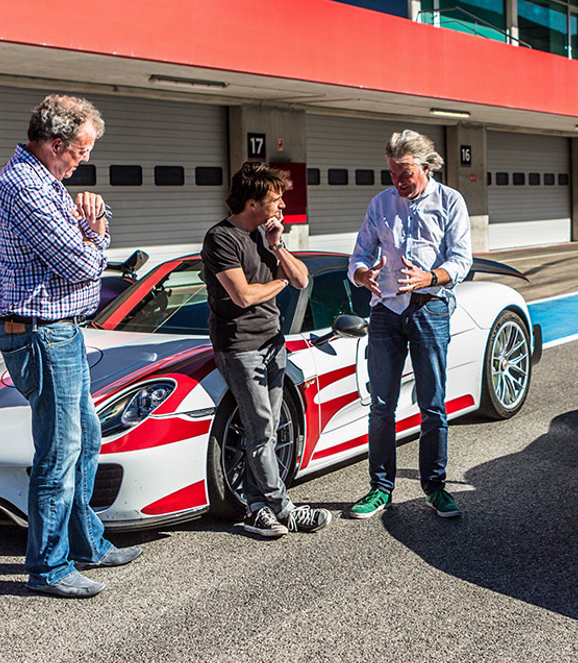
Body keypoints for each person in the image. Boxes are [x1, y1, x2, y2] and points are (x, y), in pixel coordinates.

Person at [0, 94, 141, 599]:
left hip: (59, 328)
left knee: (87, 439)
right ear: (56, 144)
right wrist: (96, 231)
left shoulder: (49, 184)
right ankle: (49, 567)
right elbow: (79, 263)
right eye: (80, 150)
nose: (84, 160)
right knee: (60, 450)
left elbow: (81, 239)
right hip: (40, 330)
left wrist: (91, 216)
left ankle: (86, 543)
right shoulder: (26, 186)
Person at [202, 163, 333, 538]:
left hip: (272, 343)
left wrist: (278, 246)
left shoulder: (264, 236)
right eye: (275, 199)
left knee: (269, 428)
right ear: (252, 202)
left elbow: (303, 279)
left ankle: (258, 509)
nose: (282, 205)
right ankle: (283, 507)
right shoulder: (221, 238)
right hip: (240, 346)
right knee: (260, 427)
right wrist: (279, 281)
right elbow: (242, 296)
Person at [346, 130, 472, 520]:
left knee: (432, 404)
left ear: (427, 166)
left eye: (405, 173)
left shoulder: (450, 201)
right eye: (392, 173)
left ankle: (435, 487)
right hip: (385, 311)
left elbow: (462, 260)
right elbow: (359, 254)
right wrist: (363, 273)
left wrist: (430, 277)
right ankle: (379, 488)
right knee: (381, 405)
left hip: (429, 308)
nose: (397, 181)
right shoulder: (380, 204)